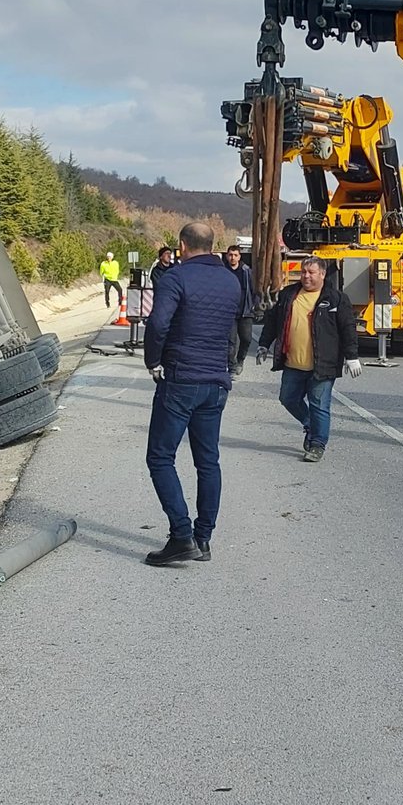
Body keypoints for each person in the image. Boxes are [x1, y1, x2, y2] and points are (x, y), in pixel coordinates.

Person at [141, 222, 245, 567]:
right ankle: (203, 538)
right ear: (212, 245)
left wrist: (154, 361)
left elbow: (158, 324)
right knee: (207, 460)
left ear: (183, 245)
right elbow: (234, 330)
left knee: (159, 457)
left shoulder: (175, 278)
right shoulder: (231, 281)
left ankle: (182, 535)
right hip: (216, 382)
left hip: (182, 379)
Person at [257, 257, 362, 463]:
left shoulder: (336, 299)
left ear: (322, 274)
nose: (306, 276)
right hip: (293, 364)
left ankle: (317, 445)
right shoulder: (289, 295)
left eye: (311, 272)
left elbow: (348, 329)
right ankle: (310, 424)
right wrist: (264, 343)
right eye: (304, 272)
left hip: (323, 365)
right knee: (287, 398)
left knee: (319, 405)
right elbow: (272, 321)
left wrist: (352, 356)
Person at [222, 243, 257, 376]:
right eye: (230, 255)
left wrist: (256, 306)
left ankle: (240, 360)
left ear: (239, 256)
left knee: (247, 339)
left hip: (245, 311)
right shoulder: (223, 272)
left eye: (235, 255)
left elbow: (254, 290)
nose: (232, 257)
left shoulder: (246, 271)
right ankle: (231, 367)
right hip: (229, 312)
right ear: (227, 256)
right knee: (231, 342)